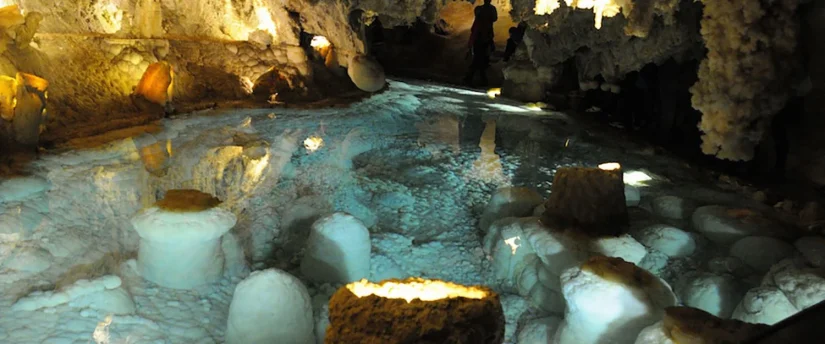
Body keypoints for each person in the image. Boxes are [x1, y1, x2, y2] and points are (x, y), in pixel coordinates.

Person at [464, 0, 497, 87]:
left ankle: (474, 78)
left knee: (480, 59)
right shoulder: (489, 11)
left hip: (481, 38)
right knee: (480, 59)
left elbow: (474, 30)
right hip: (483, 38)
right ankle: (476, 78)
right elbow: (494, 18)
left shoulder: (480, 11)